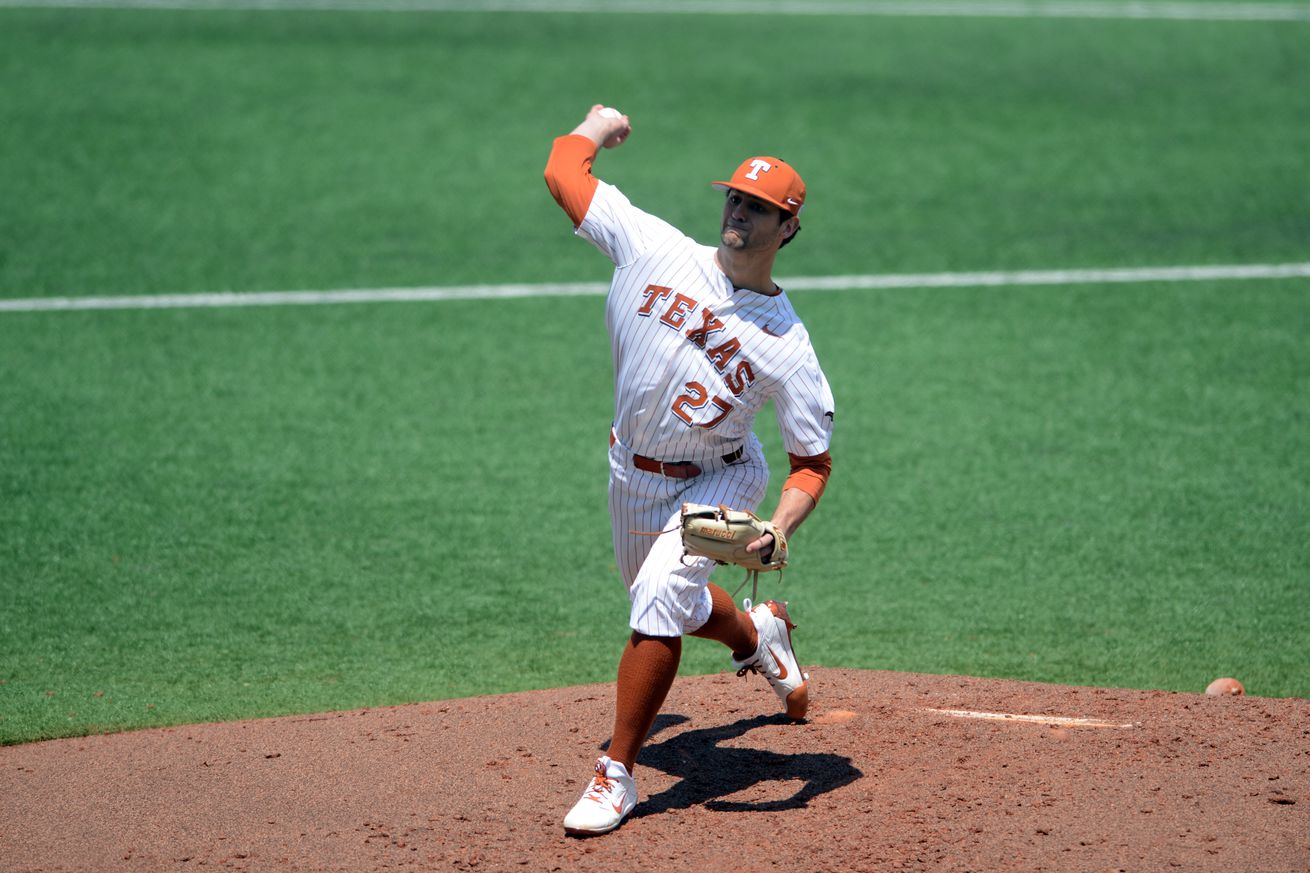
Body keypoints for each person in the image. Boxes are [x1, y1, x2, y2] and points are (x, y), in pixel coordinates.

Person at [543, 104, 836, 836]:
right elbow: (562, 172)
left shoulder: (787, 344)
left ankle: (617, 775)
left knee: (658, 602)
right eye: (735, 196)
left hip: (719, 477)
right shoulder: (652, 244)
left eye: (760, 207)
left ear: (788, 229)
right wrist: (596, 126)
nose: (740, 211)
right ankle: (759, 636)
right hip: (630, 473)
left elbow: (813, 462)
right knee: (663, 597)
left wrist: (776, 525)